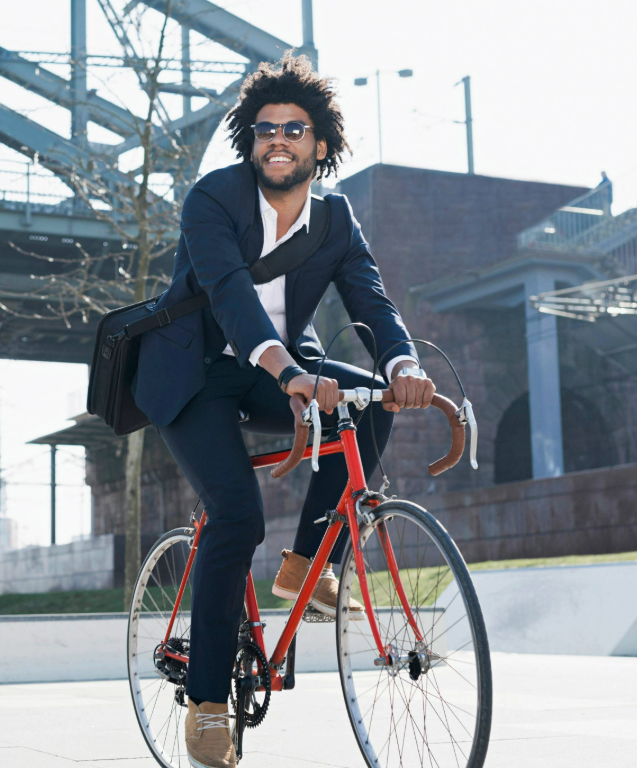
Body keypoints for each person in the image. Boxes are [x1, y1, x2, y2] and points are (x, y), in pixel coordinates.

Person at [131, 52, 435, 768]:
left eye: (295, 128)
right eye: (265, 128)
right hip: (196, 373)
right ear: (251, 139)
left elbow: (370, 297)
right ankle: (207, 703)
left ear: (319, 144)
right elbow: (232, 296)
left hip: (280, 368)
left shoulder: (335, 218)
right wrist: (288, 370)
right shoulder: (212, 199)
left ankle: (306, 564)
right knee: (235, 514)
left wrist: (405, 364)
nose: (279, 138)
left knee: (368, 403)